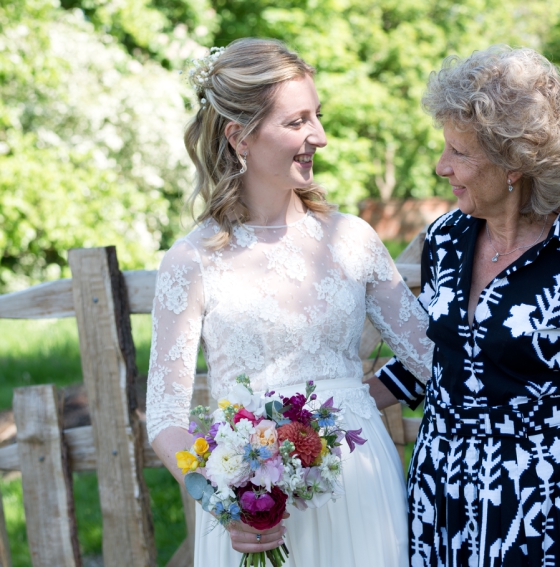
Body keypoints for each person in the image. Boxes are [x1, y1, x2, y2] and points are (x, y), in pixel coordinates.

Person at [144, 38, 435, 567]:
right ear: (240, 137)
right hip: (252, 509)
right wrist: (222, 503)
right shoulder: (191, 261)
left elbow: (437, 362)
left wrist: (559, 385)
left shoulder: (353, 240)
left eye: (317, 117)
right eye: (297, 122)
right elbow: (164, 418)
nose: (318, 137)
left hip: (360, 483)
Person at [372, 46, 560, 567]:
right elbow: (434, 360)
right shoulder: (446, 238)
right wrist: (332, 408)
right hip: (445, 498)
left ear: (513, 164)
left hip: (544, 507)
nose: (441, 166)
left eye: (459, 151)